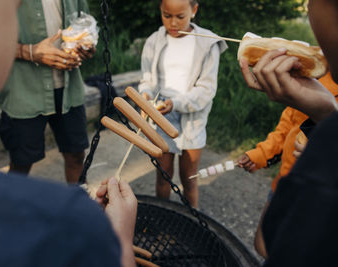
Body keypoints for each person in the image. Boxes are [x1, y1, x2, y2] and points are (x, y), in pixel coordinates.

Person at [0, 1, 137, 266]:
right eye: (12, 12)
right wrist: (119, 247)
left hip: (68, 92)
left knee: (75, 152)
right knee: (23, 157)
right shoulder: (70, 222)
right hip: (26, 97)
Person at [239, 0, 338, 265]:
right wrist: (325, 117)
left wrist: (324, 150)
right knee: (264, 240)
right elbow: (284, 130)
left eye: (310, 3)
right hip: (285, 178)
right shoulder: (317, 81)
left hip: (302, 185)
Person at [237, 72, 338, 257]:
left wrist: (320, 149)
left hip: (320, 197)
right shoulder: (310, 79)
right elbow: (284, 131)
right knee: (263, 244)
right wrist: (260, 154)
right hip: (286, 181)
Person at [138, 0, 227, 208]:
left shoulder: (207, 43)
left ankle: (192, 222)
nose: (173, 23)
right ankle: (162, 222)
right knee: (163, 176)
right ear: (160, 10)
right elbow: (147, 79)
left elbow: (206, 90)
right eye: (167, 15)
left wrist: (176, 102)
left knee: (189, 179)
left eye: (180, 17)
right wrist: (145, 96)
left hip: (192, 116)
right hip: (161, 114)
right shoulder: (154, 40)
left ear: (194, 10)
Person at [0, 0, 96, 184]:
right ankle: (10, 211)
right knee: (21, 163)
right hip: (24, 90)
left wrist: (86, 45)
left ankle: (78, 210)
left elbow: (85, 22)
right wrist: (30, 52)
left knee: (76, 156)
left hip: (69, 89)